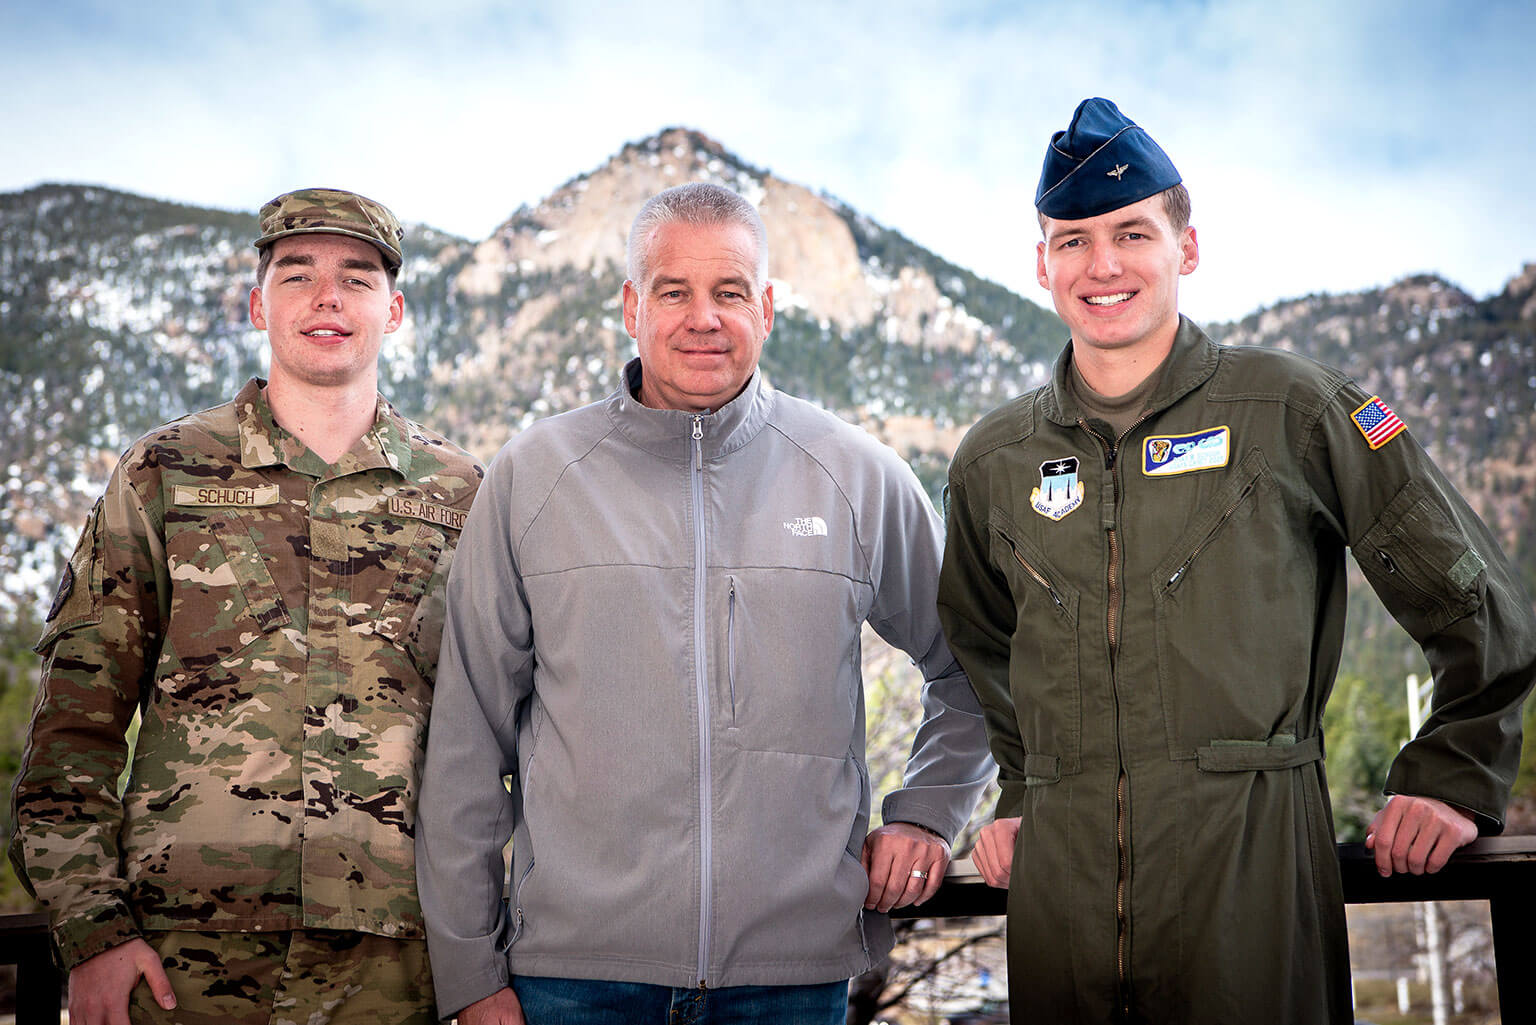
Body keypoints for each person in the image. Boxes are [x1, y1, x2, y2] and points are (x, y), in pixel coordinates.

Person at [939, 97, 1536, 1023]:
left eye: (1132, 232)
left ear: (1186, 246)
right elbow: (980, 644)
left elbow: (1475, 597)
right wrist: (1024, 785)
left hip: (1252, 887)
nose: (1102, 265)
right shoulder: (993, 460)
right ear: (1043, 264)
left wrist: (1454, 771)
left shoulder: (1297, 412)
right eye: (1072, 241)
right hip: (1059, 912)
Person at [415, 182, 995, 1025]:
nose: (703, 317)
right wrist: (469, 973)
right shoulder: (536, 478)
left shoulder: (857, 476)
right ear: (630, 305)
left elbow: (977, 665)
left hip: (790, 981)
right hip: (572, 980)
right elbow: (468, 736)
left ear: (766, 306)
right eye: (673, 291)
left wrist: (931, 812)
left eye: (729, 291)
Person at [8, 188, 483, 1025]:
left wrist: (480, 959)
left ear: (395, 310)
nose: (327, 297)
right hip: (183, 967)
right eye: (297, 275)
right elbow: (74, 725)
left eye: (357, 277)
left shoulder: (461, 497)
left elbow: (495, 743)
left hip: (399, 973)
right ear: (257, 303)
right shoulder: (166, 472)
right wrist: (93, 930)